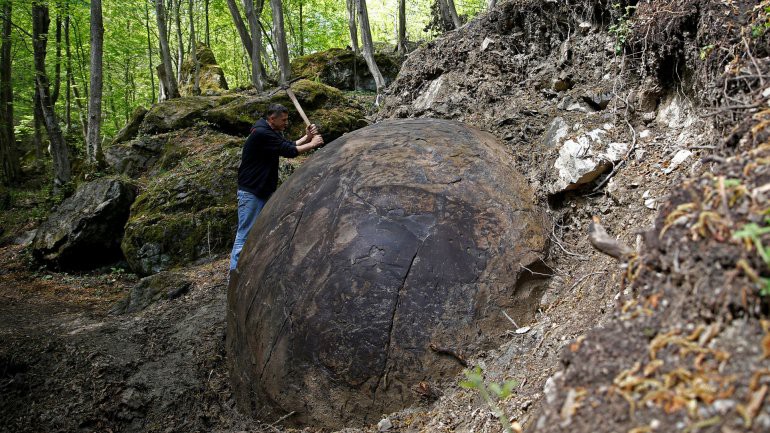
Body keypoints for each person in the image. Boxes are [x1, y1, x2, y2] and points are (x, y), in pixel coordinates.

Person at [229, 104, 324, 271]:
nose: (286, 123)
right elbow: (289, 151)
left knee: (260, 231)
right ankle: (234, 273)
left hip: (262, 190)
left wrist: (307, 137)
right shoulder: (261, 133)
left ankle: (253, 267)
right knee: (244, 234)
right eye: (284, 120)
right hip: (251, 192)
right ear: (272, 119)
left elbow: (286, 144)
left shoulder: (267, 130)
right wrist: (313, 144)